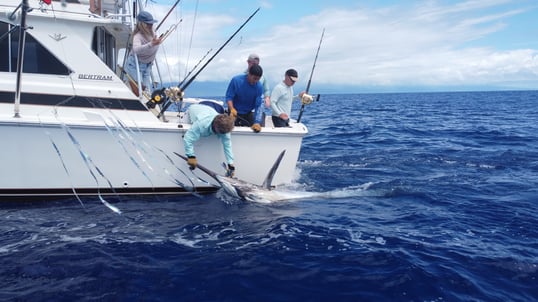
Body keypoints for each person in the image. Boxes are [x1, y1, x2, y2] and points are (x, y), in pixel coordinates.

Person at [183, 103, 236, 177]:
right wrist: (191, 156)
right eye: (222, 133)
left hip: (206, 110)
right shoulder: (201, 124)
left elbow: (227, 145)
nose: (224, 135)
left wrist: (231, 164)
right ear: (216, 127)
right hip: (191, 113)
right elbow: (188, 138)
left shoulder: (225, 128)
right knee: (188, 133)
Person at [124, 11, 163, 96]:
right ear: (142, 25)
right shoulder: (137, 36)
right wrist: (151, 44)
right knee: (139, 89)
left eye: (152, 23)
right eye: (148, 24)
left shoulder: (153, 32)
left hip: (147, 65)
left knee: (146, 90)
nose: (151, 25)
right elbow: (136, 49)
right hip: (135, 64)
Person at [226, 65, 264, 133]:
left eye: (258, 79)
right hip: (234, 112)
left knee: (258, 128)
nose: (256, 81)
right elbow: (229, 97)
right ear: (249, 74)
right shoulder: (236, 80)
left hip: (247, 112)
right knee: (227, 127)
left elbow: (258, 106)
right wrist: (232, 109)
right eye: (254, 78)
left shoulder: (259, 87)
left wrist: (257, 122)